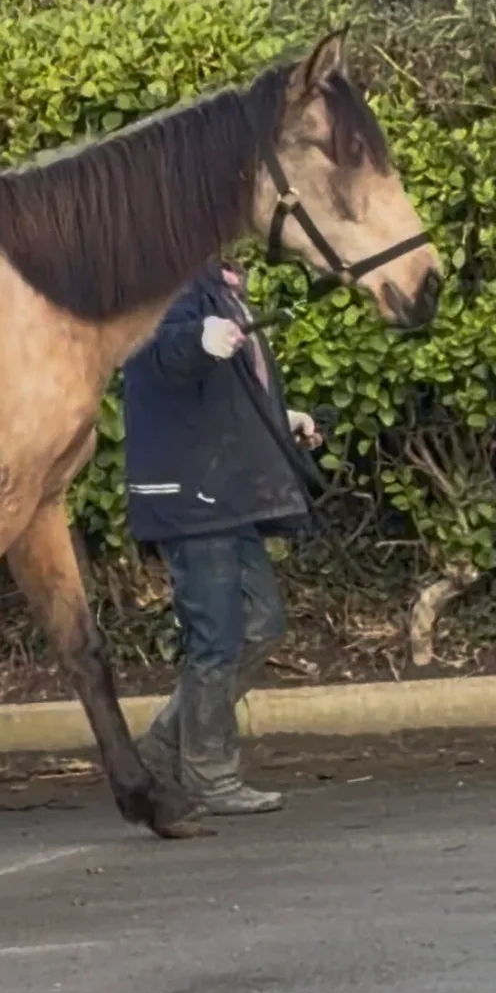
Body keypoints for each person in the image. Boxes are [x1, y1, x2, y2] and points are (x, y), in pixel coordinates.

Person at [121, 258, 322, 816]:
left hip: (221, 494)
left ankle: (166, 742)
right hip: (191, 496)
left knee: (262, 624)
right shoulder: (167, 282)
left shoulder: (218, 288)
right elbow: (160, 349)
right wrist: (198, 340)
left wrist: (286, 418)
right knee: (217, 637)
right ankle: (210, 774)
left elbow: (229, 396)